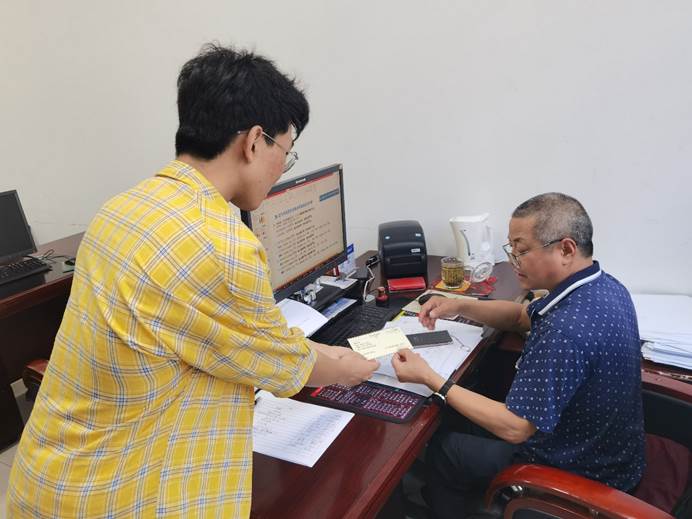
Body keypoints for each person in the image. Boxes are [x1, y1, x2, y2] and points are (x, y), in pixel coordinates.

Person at [8, 44, 378, 518]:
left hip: (53, 472)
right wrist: (350, 367)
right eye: (285, 154)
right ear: (254, 141)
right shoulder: (219, 243)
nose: (281, 170)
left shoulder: (123, 207)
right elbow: (283, 365)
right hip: (116, 493)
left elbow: (222, 338)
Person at [392, 193, 644, 519]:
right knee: (455, 413)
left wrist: (430, 377)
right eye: (511, 249)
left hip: (582, 472)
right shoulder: (603, 286)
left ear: (566, 249)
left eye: (522, 251)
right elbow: (520, 317)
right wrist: (459, 304)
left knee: (446, 449)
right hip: (612, 453)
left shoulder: (563, 331)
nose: (514, 261)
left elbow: (516, 428)